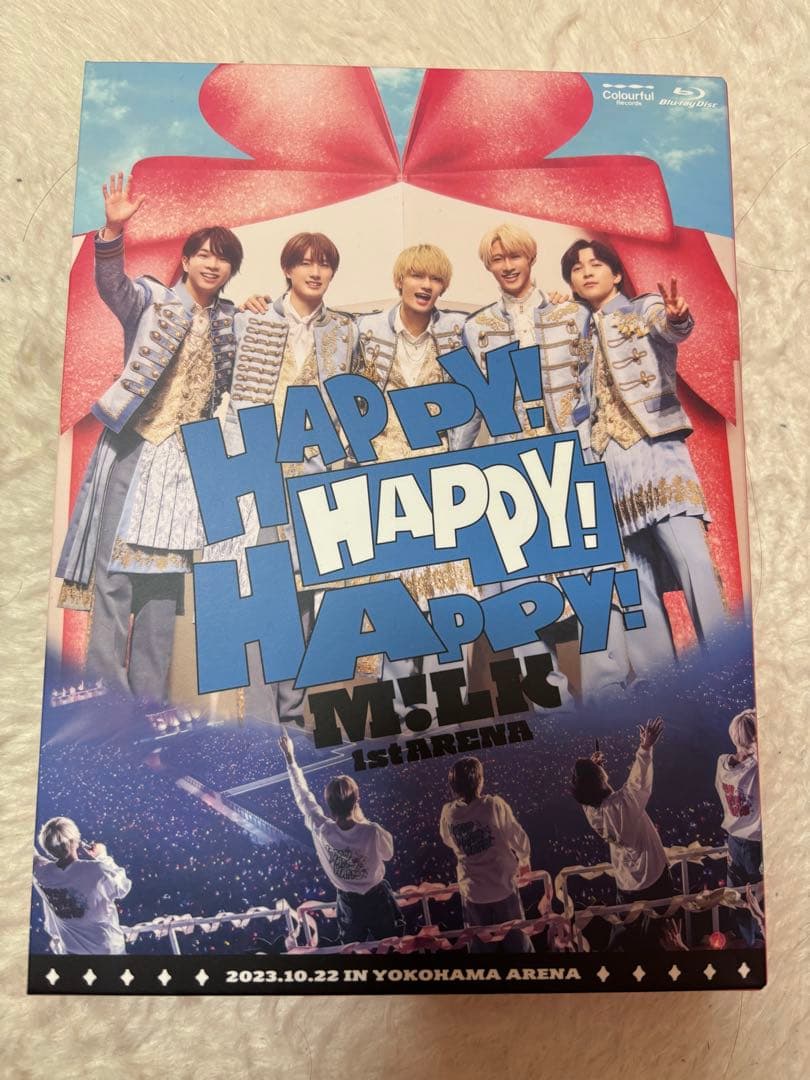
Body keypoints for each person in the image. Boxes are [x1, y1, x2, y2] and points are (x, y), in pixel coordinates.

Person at [57, 172, 243, 704]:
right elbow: (111, 286)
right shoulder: (150, 299)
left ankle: (149, 704)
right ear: (185, 260)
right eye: (203, 254)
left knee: (163, 588)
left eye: (223, 258)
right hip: (135, 448)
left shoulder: (231, 320)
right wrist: (113, 232)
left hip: (185, 463)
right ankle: (106, 701)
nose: (212, 264)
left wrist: (262, 307)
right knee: (113, 576)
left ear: (231, 270)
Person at [460, 223, 630, 702]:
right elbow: (473, 407)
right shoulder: (476, 328)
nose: (508, 266)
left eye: (515, 256)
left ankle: (610, 695)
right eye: (498, 260)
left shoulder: (572, 312)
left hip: (573, 462)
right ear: (488, 266)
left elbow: (600, 386)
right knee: (523, 590)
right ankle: (550, 706)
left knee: (591, 577)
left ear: (530, 259)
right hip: (515, 472)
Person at [207, 233, 356, 722]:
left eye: (324, 264)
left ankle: (291, 715)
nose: (315, 272)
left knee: (305, 593)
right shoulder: (250, 319)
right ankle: (261, 719)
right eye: (305, 263)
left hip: (316, 476)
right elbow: (225, 393)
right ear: (287, 269)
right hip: (260, 472)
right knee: (260, 587)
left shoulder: (346, 330)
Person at [560, 238, 726, 675]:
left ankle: (727, 675)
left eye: (597, 264)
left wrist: (678, 316)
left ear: (616, 274)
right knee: (637, 589)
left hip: (656, 459)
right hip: (609, 471)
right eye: (577, 268)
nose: (587, 271)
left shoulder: (644, 307)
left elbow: (670, 326)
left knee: (693, 567)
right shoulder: (578, 337)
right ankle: (665, 696)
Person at [350, 244, 474, 704]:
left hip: (437, 476)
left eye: (435, 279)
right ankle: (402, 714)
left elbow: (475, 399)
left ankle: (448, 709)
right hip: (382, 477)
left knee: (447, 597)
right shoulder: (364, 331)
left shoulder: (459, 331)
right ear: (399, 280)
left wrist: (454, 459)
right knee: (394, 598)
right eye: (417, 276)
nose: (426, 286)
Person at [278, 731, 404, 945]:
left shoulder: (321, 829)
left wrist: (290, 759)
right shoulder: (372, 831)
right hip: (377, 897)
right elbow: (388, 854)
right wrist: (361, 818)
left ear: (329, 805)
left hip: (348, 901)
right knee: (392, 944)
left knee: (352, 949)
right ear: (357, 800)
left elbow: (303, 796)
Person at [570, 717, 675, 948]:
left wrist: (594, 768)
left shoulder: (592, 812)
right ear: (600, 780)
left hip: (625, 883)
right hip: (652, 876)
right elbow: (638, 782)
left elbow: (592, 794)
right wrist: (645, 747)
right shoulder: (624, 804)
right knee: (659, 936)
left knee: (631, 936)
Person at [440, 755, 533, 952]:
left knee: (481, 947)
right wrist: (524, 860)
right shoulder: (493, 805)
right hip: (503, 886)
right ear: (479, 781)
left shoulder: (448, 813)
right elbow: (516, 835)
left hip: (472, 891)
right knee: (518, 943)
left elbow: (448, 840)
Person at [32, 817, 131, 954]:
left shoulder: (41, 874)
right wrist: (103, 856)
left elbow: (32, 854)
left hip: (71, 953)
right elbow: (123, 887)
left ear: (47, 847)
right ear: (75, 841)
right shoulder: (97, 870)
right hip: (109, 952)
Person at [715, 708, 763, 945]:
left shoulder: (722, 762)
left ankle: (748, 941)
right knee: (761, 896)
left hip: (733, 841)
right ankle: (764, 937)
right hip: (756, 844)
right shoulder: (758, 766)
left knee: (739, 896)